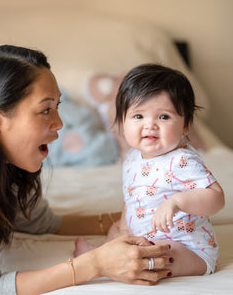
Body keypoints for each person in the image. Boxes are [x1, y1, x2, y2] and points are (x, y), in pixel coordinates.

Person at [0, 46, 173, 295]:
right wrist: (95, 264)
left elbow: (39, 223)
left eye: (57, 106)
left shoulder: (0, 154)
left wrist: (134, 216)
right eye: (46, 110)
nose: (59, 124)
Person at [74, 64, 225, 277]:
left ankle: (109, 263)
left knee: (158, 255)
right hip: (142, 235)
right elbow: (132, 198)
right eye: (138, 116)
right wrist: (125, 229)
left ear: (185, 125)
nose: (150, 125)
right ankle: (101, 255)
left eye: (163, 117)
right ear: (122, 121)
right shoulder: (132, 157)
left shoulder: (183, 160)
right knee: (116, 230)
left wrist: (177, 202)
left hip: (186, 248)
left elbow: (216, 198)